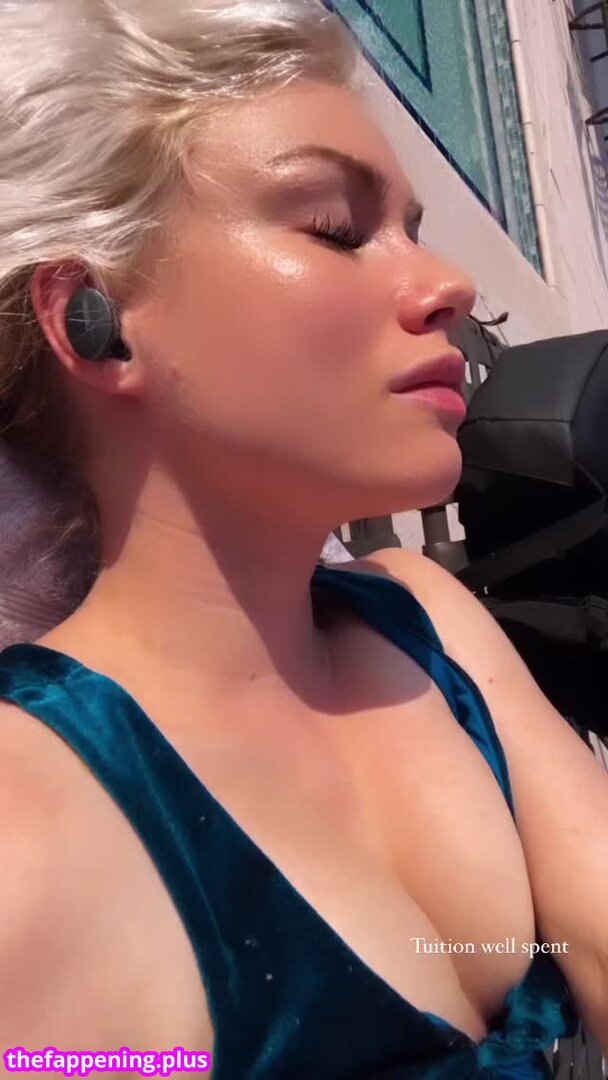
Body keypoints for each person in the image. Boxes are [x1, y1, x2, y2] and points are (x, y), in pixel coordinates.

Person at [0, 1, 605, 1076]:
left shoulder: (423, 614)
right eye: (334, 229)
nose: (449, 284)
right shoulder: (28, 823)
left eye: (412, 229)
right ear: (95, 322)